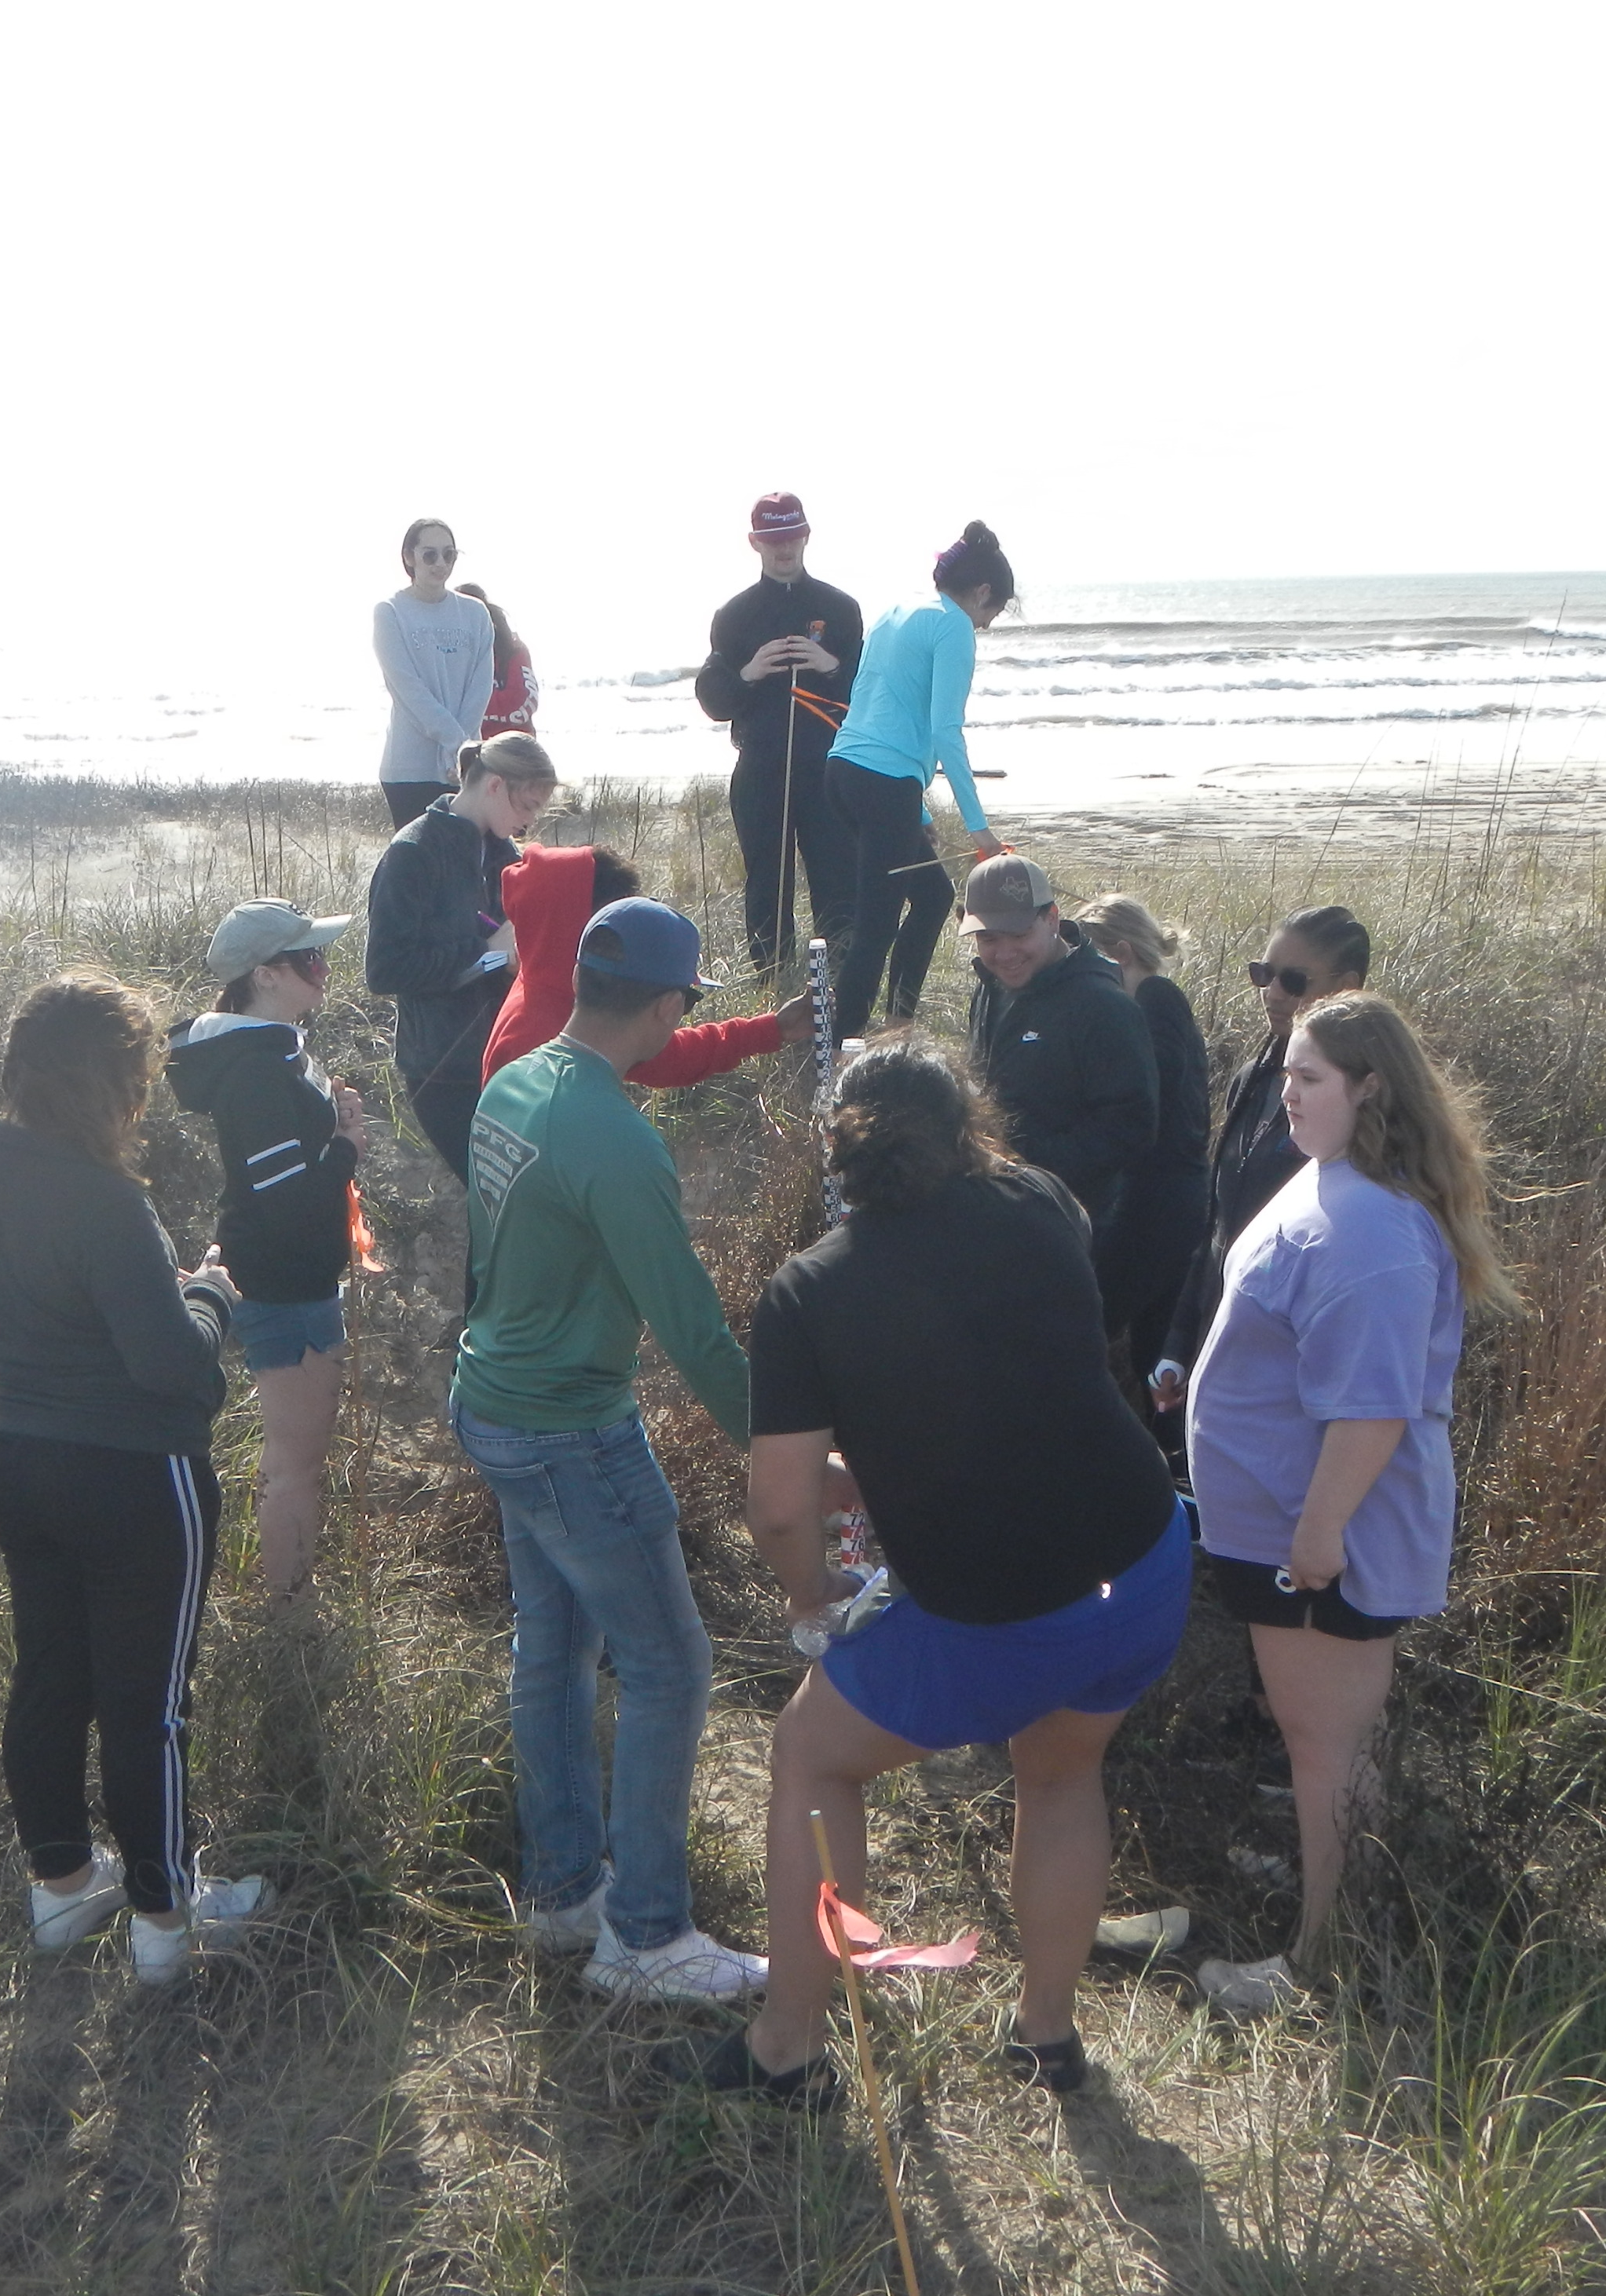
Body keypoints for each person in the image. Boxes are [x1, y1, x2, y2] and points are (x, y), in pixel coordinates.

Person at [690, 1041, 1188, 2108]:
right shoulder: (1043, 1200)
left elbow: (780, 1504)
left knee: (812, 1756)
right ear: (970, 1125)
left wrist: (808, 1596)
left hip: (1002, 1617)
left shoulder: (810, 1292)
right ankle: (1047, 2038)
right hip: (1143, 1565)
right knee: (1060, 1774)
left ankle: (787, 2046)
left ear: (840, 1157)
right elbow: (1012, 1372)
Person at [452, 897, 768, 2005]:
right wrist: (772, 1452)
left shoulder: (517, 1080)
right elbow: (692, 1329)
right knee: (670, 1665)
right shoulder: (618, 1140)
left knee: (553, 1650)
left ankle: (560, 1894)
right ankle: (644, 1934)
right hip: (572, 1430)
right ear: (670, 1003)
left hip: (491, 1402)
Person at [0, 975, 273, 1985]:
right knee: (149, 1704)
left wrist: (154, 1307)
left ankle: (64, 1890)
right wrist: (209, 1294)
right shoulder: (110, 1205)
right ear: (109, 1084)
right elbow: (175, 1370)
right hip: (135, 1480)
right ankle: (168, 1923)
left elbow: (55, 1311)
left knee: (48, 1679)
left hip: (22, 1462)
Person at [1184, 991, 1520, 2014]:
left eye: (1311, 1078)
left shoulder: (1370, 1227)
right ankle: (1343, 1909)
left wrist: (1318, 1537)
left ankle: (1320, 1968)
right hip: (1291, 1522)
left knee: (1323, 1747)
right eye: (1285, 1073)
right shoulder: (1333, 1184)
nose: (1286, 1093)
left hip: (1322, 1533)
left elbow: (1372, 1410)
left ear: (1370, 1087)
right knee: (1324, 1747)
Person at [166, 900, 368, 1602]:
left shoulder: (267, 1052)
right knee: (296, 1464)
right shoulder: (256, 1072)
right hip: (286, 1284)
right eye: (310, 960)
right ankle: (289, 1617)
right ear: (267, 975)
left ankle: (286, 1598)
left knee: (290, 1459)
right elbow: (286, 1203)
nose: (324, 970)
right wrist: (345, 1147)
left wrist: (332, 1135)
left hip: (286, 1274)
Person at [1149, 906, 1373, 1415]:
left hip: (1290, 1366)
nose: (1273, 993)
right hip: (1221, 1347)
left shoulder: (1360, 1104)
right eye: (1263, 974)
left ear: (1348, 987)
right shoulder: (1252, 1079)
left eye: (1293, 980)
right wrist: (1179, 1347)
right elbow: (1217, 1229)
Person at [821, 521, 1013, 1036]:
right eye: (991, 614)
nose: (987, 625)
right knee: (876, 927)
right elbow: (945, 731)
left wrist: (921, 812)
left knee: (930, 898)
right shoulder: (952, 626)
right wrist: (981, 833)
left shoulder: (897, 611)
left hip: (843, 773)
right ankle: (846, 1050)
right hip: (882, 784)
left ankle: (899, 1022)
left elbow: (881, 709)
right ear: (982, 592)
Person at [364, 734, 557, 1183]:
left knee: (516, 1202)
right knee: (497, 1198)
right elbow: (385, 968)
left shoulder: (505, 855)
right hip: (441, 1069)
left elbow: (508, 946)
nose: (528, 821)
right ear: (493, 785)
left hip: (503, 1058)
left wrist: (518, 956)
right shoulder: (412, 853)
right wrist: (484, 952)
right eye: (525, 806)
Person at [959, 854, 1159, 1270]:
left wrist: (1023, 1165)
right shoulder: (989, 989)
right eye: (989, 938)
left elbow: (1131, 1128)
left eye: (1019, 933)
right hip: (997, 1215)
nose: (1005, 952)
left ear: (1052, 919)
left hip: (1074, 1228)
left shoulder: (1103, 1006)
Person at [694, 493, 864, 976]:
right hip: (761, 767)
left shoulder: (841, 608)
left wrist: (831, 666)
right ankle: (772, 987)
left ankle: (840, 988)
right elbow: (712, 697)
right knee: (767, 883)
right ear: (755, 543)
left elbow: (871, 689)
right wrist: (749, 673)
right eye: (773, 539)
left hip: (829, 768)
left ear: (806, 535)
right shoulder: (734, 615)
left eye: (791, 537)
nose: (784, 548)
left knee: (837, 882)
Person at [482, 840, 813, 1084]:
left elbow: (668, 1058)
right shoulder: (530, 1044)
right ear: (577, 933)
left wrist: (774, 1029)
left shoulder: (565, 996)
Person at [1077, 893, 1213, 1373]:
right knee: (1155, 1358)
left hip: (1160, 1204)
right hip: (1168, 1203)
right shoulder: (1148, 1003)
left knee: (1085, 1332)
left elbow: (1152, 1100)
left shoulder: (1156, 998)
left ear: (1120, 954)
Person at [375, 520, 496, 825]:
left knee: (464, 865)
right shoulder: (390, 612)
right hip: (408, 770)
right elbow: (407, 689)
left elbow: (480, 688)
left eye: (449, 555)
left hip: (466, 769)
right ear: (409, 557)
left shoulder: (476, 613)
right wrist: (455, 744)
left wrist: (464, 751)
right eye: (430, 555)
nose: (440, 564)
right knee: (418, 868)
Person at [459, 582, 540, 737]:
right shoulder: (445, 659)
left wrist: (470, 707)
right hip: (467, 750)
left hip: (514, 748)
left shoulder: (512, 649)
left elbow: (523, 703)